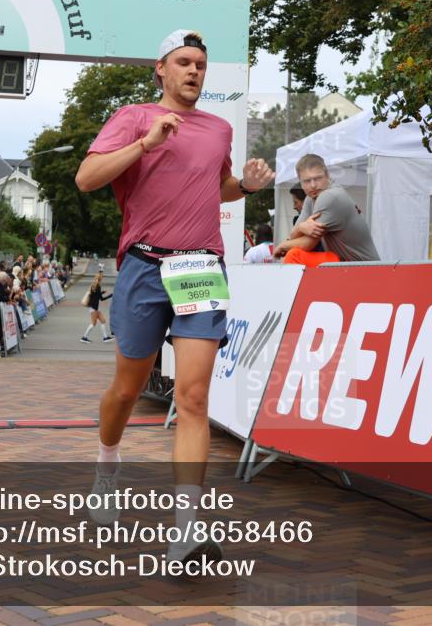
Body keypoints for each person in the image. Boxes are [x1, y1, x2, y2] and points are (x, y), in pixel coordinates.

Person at [74, 29, 274, 564]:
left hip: (199, 266)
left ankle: (186, 527)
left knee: (193, 397)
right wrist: (145, 144)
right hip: (143, 264)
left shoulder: (218, 128)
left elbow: (218, 185)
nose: (194, 71)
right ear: (160, 68)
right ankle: (107, 463)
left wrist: (247, 187)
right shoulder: (134, 117)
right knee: (126, 387)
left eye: (201, 65)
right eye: (184, 62)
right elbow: (86, 178)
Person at [274, 153, 380, 266]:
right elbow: (294, 236)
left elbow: (308, 244)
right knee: (296, 253)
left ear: (327, 175)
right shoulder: (311, 198)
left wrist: (282, 245)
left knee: (294, 256)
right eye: (307, 181)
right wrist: (300, 227)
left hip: (363, 268)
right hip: (346, 264)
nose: (313, 185)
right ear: (300, 182)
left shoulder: (329, 196)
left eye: (318, 178)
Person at [80, 272, 114, 343]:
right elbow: (101, 299)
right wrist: (110, 295)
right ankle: (84, 337)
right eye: (102, 277)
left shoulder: (94, 285)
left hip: (93, 307)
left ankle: (105, 337)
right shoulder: (98, 286)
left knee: (103, 320)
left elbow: (95, 295)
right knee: (93, 323)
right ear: (100, 278)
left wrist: (102, 292)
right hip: (93, 308)